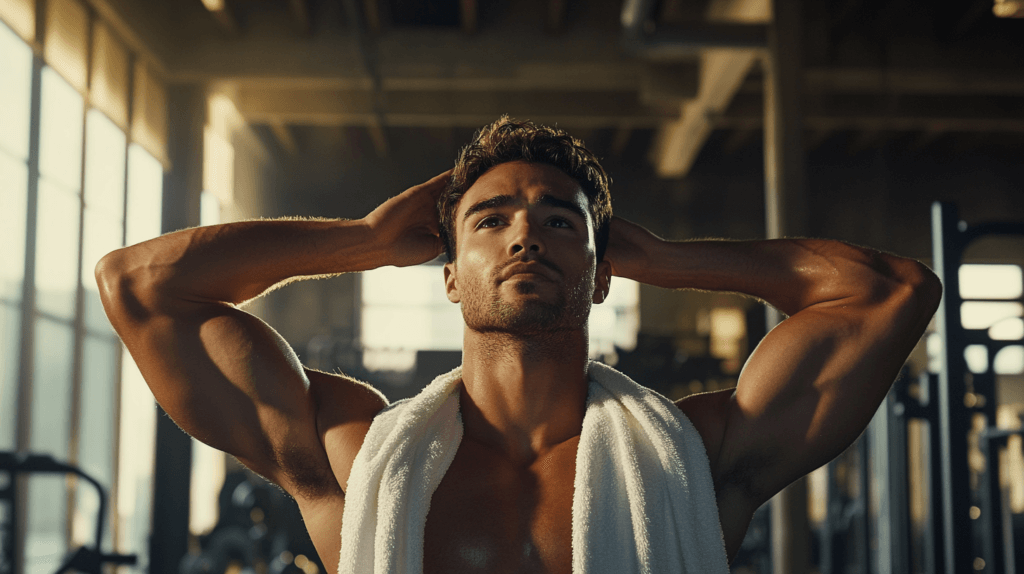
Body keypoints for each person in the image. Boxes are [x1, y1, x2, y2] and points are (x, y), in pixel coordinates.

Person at [96, 117, 942, 573]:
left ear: (604, 271)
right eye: (490, 220)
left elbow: (892, 292)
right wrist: (363, 238)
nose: (525, 236)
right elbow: (141, 286)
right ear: (449, 274)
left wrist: (669, 261)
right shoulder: (353, 454)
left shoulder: (697, 456)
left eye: (559, 221)